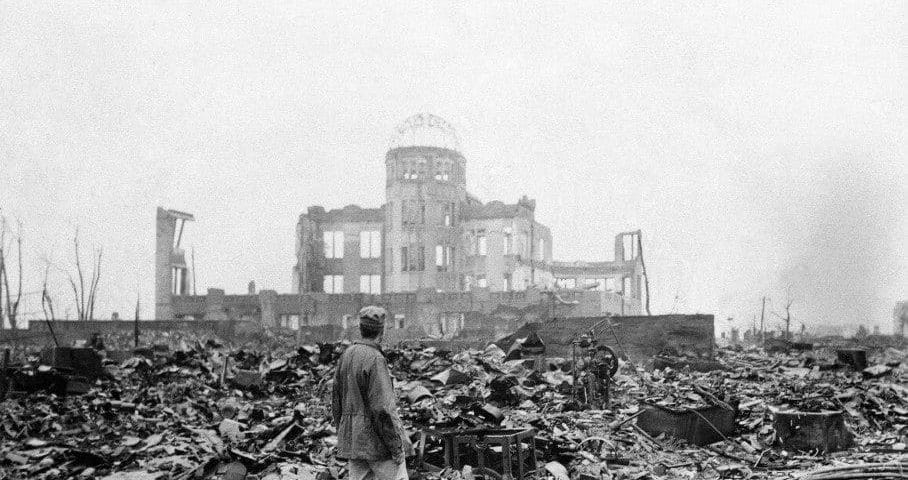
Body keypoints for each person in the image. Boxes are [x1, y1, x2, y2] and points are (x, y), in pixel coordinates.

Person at [333, 306, 412, 480]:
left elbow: (336, 402)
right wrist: (397, 448)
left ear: (360, 329)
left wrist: (346, 435)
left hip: (354, 444)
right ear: (381, 331)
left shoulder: (347, 355)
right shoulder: (375, 359)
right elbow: (383, 409)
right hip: (378, 446)